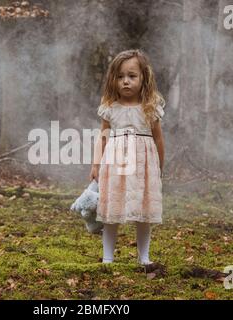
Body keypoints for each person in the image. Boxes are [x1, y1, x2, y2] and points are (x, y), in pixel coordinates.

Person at [89, 49, 165, 265]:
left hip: (144, 167)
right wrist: (96, 164)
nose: (125, 82)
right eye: (120, 77)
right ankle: (107, 257)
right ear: (113, 79)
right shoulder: (110, 108)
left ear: (144, 78)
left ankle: (144, 257)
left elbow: (159, 139)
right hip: (115, 165)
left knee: (144, 212)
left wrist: (159, 166)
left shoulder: (150, 107)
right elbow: (102, 138)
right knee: (112, 210)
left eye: (132, 76)